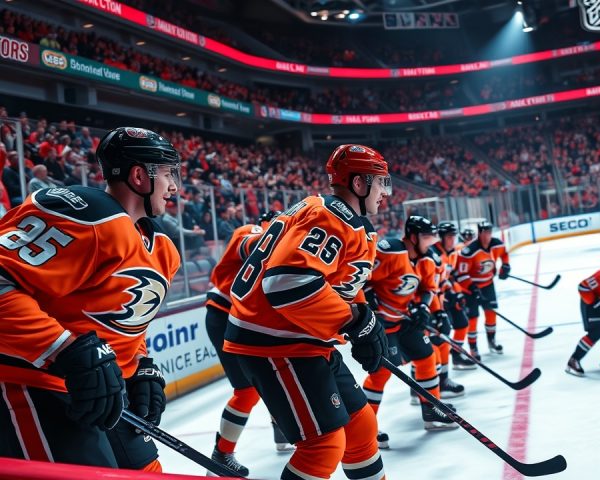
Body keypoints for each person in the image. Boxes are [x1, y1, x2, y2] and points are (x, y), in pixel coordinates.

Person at [0, 127, 181, 471]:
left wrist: (140, 363)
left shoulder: (163, 248)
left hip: (104, 389)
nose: (173, 186)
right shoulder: (88, 216)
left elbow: (123, 317)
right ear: (139, 176)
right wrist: (64, 349)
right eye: (168, 174)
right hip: (38, 384)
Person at [224, 144, 391, 480]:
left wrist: (364, 317)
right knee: (323, 444)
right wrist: (354, 320)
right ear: (359, 183)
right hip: (274, 341)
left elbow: (340, 280)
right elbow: (286, 283)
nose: (385, 192)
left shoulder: (334, 214)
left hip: (297, 338)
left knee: (360, 427)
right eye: (380, 182)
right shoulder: (330, 217)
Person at [205, 210, 290, 477]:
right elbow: (254, 246)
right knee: (247, 390)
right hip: (225, 315)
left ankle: (281, 430)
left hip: (246, 320)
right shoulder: (251, 231)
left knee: (275, 375)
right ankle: (221, 456)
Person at [363, 216, 458, 449]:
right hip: (381, 322)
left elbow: (428, 289)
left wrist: (425, 308)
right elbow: (360, 277)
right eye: (426, 237)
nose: (431, 242)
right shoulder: (390, 251)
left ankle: (431, 410)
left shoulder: (427, 259)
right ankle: (363, 429)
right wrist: (368, 294)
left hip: (404, 319)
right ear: (413, 237)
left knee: (426, 357)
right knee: (381, 373)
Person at [455, 219, 510, 357]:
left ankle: (492, 341)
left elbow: (504, 253)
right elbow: (461, 275)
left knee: (491, 313)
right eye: (484, 232)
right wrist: (473, 289)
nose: (487, 235)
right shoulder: (469, 251)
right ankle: (473, 348)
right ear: (479, 233)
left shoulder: (497, 244)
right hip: (470, 289)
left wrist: (505, 266)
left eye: (489, 232)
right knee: (473, 318)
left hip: (487, 285)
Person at [433, 221, 472, 374]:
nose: (452, 239)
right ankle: (435, 373)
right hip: (434, 299)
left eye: (454, 236)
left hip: (446, 293)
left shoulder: (453, 253)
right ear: (441, 237)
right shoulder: (433, 254)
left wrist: (458, 293)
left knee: (462, 323)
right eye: (449, 236)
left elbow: (451, 276)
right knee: (442, 334)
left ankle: (456, 355)